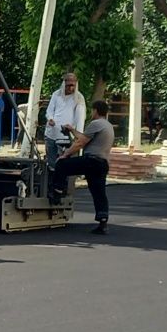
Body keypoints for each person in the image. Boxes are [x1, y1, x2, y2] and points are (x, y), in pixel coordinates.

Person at [50, 97, 112, 235]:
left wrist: (65, 154)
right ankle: (103, 221)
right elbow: (83, 137)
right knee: (99, 192)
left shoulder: (95, 123)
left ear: (95, 111)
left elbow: (80, 143)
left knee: (62, 165)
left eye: (92, 110)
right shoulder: (107, 125)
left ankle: (57, 192)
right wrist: (72, 130)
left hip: (91, 161)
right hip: (102, 163)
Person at [43, 70, 85, 156]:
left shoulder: (79, 98)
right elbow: (49, 111)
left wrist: (77, 137)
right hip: (51, 134)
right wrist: (50, 119)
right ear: (64, 83)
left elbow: (80, 120)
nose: (70, 88)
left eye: (73, 85)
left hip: (67, 138)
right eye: (68, 85)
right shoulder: (56, 94)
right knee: (51, 163)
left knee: (64, 164)